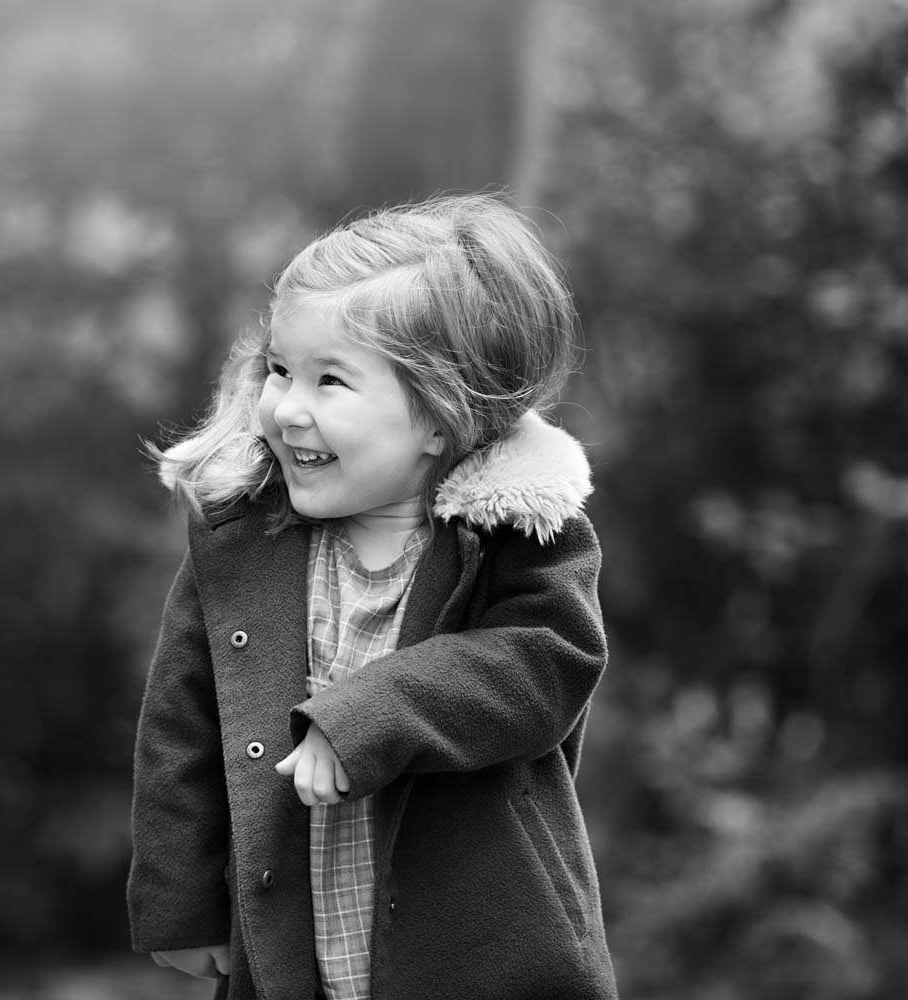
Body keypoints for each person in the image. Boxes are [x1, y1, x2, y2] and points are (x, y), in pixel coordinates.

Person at [127, 192, 618, 1000]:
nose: (287, 408)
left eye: (330, 381)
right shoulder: (245, 539)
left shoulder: (517, 534)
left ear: (439, 415)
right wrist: (180, 902)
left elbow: (544, 667)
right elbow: (181, 725)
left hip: (479, 956)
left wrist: (363, 720)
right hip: (295, 939)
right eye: (280, 370)